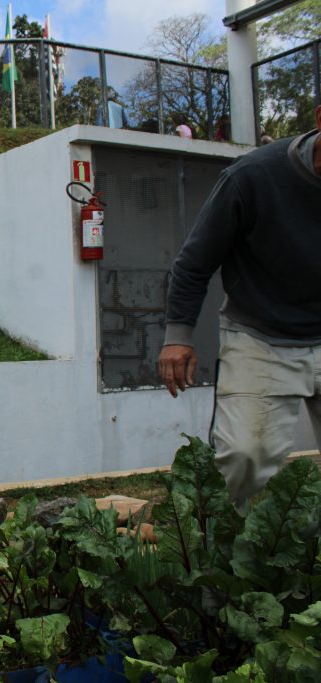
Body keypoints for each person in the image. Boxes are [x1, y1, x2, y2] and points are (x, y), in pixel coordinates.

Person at [158, 105, 321, 504]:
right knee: (244, 458)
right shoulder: (253, 177)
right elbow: (194, 262)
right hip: (261, 334)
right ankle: (222, 538)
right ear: (319, 119)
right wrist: (178, 335)